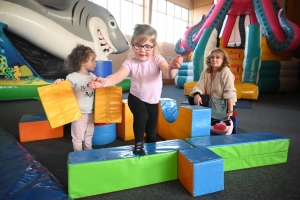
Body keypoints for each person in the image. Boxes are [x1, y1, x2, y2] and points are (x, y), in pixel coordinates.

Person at [89, 24, 183, 156]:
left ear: (154, 47)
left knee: (151, 131)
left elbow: (168, 74)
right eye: (138, 45)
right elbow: (117, 76)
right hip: (135, 98)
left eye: (147, 46)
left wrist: (173, 67)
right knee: (141, 116)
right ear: (133, 45)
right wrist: (104, 82)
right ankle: (138, 144)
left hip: (153, 101)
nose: (142, 50)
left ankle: (151, 148)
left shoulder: (158, 60)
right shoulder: (130, 62)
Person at [54, 44, 97, 151]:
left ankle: (89, 153)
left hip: (91, 112)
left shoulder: (93, 77)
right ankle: (79, 157)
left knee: (89, 134)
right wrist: (59, 83)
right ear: (82, 62)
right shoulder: (72, 77)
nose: (95, 63)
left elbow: (100, 92)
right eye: (92, 60)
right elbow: (64, 92)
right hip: (78, 113)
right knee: (78, 137)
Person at [188, 47, 237, 125]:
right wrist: (197, 94)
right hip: (211, 100)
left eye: (217, 57)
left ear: (223, 60)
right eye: (212, 57)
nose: (214, 60)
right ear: (209, 59)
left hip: (223, 104)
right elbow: (199, 86)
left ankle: (213, 117)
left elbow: (230, 92)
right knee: (192, 98)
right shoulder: (206, 72)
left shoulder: (225, 71)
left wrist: (230, 111)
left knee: (202, 100)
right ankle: (209, 117)